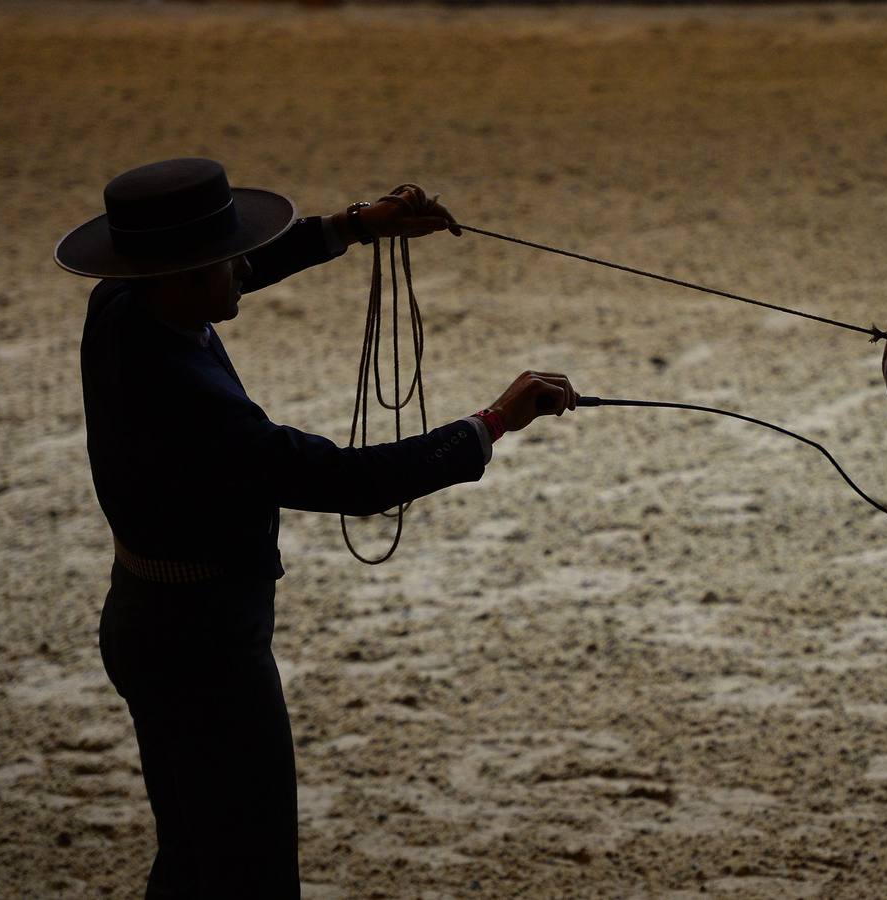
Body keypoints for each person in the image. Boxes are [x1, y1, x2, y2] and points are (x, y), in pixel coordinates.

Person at [55, 157, 577, 898]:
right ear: (179, 273)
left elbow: (239, 271)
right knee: (248, 867)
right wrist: (491, 423)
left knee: (197, 855)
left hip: (156, 622)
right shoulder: (185, 396)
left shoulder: (125, 300)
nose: (240, 268)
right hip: (201, 647)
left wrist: (354, 226)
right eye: (222, 260)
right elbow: (345, 482)